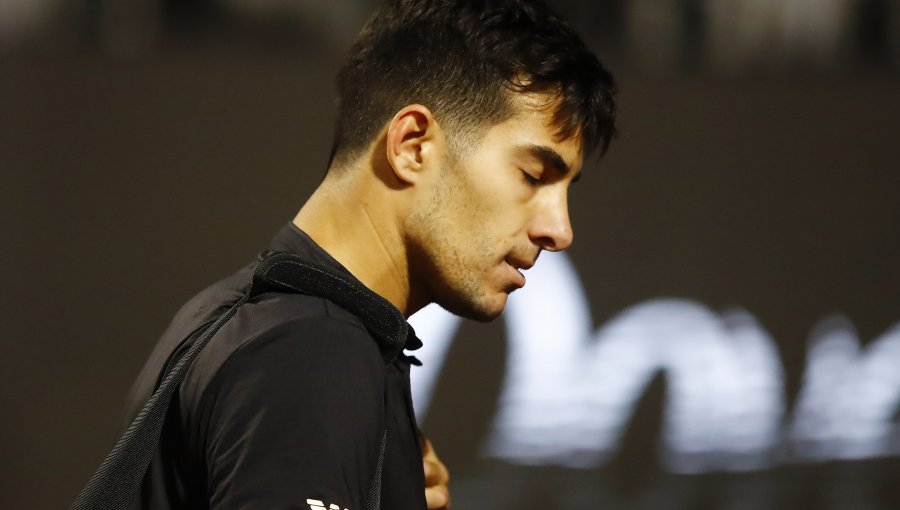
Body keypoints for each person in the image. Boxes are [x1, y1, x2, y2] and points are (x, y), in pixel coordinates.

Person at [120, 0, 617, 509]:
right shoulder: (308, 355)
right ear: (412, 146)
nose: (559, 230)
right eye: (533, 176)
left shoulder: (237, 318)